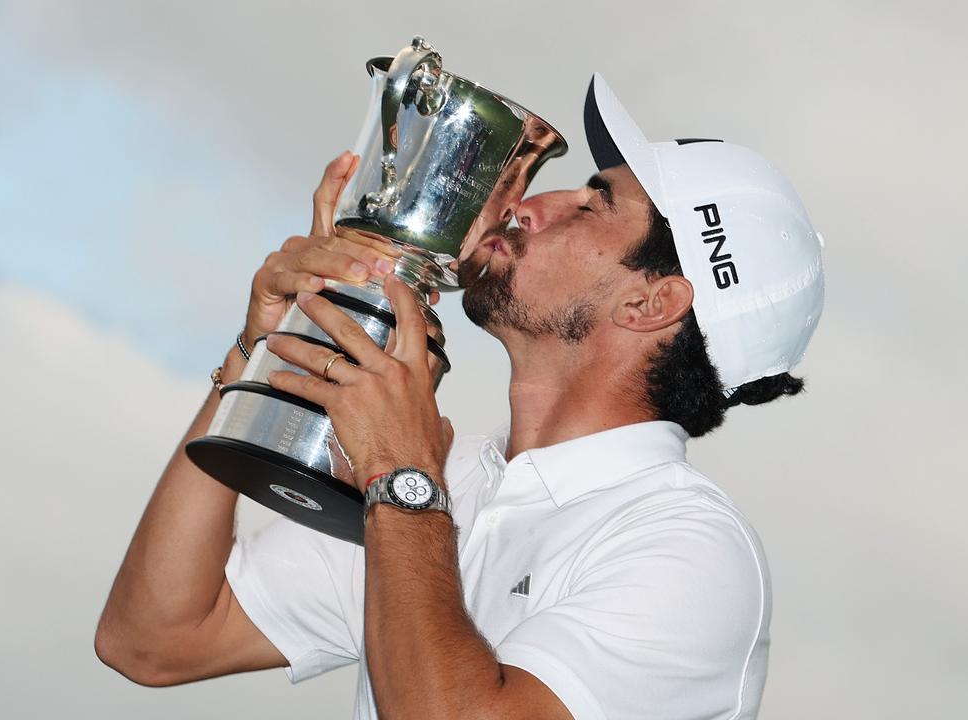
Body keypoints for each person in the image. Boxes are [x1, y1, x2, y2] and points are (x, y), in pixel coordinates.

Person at [95, 74, 825, 720]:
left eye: (594, 204)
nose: (534, 205)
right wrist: (262, 346)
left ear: (650, 303)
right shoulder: (454, 480)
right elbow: (155, 639)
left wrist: (399, 475)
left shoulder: (689, 549)